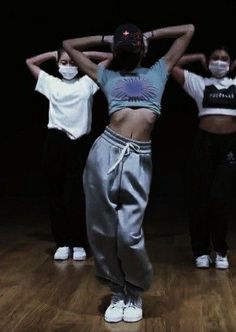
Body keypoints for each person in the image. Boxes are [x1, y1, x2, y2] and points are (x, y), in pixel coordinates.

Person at [62, 22, 194, 322]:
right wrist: (107, 38)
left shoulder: (159, 70)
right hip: (105, 152)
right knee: (101, 231)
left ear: (142, 49)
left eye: (133, 45)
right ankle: (118, 292)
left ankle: (134, 293)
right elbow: (69, 44)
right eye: (126, 46)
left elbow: (189, 30)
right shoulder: (105, 74)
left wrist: (149, 35)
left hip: (138, 158)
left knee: (128, 233)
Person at [26, 48, 112, 261]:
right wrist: (53, 54)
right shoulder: (51, 82)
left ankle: (79, 242)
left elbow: (109, 58)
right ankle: (63, 242)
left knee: (78, 196)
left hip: (79, 144)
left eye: (73, 63)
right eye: (64, 62)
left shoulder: (87, 82)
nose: (69, 66)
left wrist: (82, 54)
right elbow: (30, 62)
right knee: (55, 194)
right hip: (55, 141)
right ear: (58, 65)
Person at [171, 46, 236, 269]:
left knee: (220, 198)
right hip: (203, 144)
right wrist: (198, 55)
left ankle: (220, 250)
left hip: (228, 146)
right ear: (208, 63)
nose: (220, 62)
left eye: (225, 59)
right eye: (215, 58)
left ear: (232, 64)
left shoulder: (235, 86)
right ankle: (200, 251)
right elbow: (170, 64)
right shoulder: (199, 83)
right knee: (199, 198)